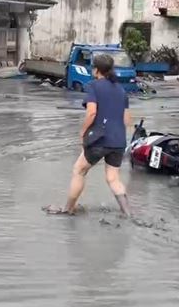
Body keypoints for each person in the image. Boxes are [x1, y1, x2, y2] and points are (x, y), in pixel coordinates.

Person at [46, 54, 133, 217]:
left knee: (79, 170)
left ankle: (68, 209)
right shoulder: (121, 90)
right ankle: (128, 213)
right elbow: (127, 119)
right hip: (119, 141)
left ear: (97, 70)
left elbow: (92, 113)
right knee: (113, 178)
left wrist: (82, 131)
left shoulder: (93, 86)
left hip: (99, 139)